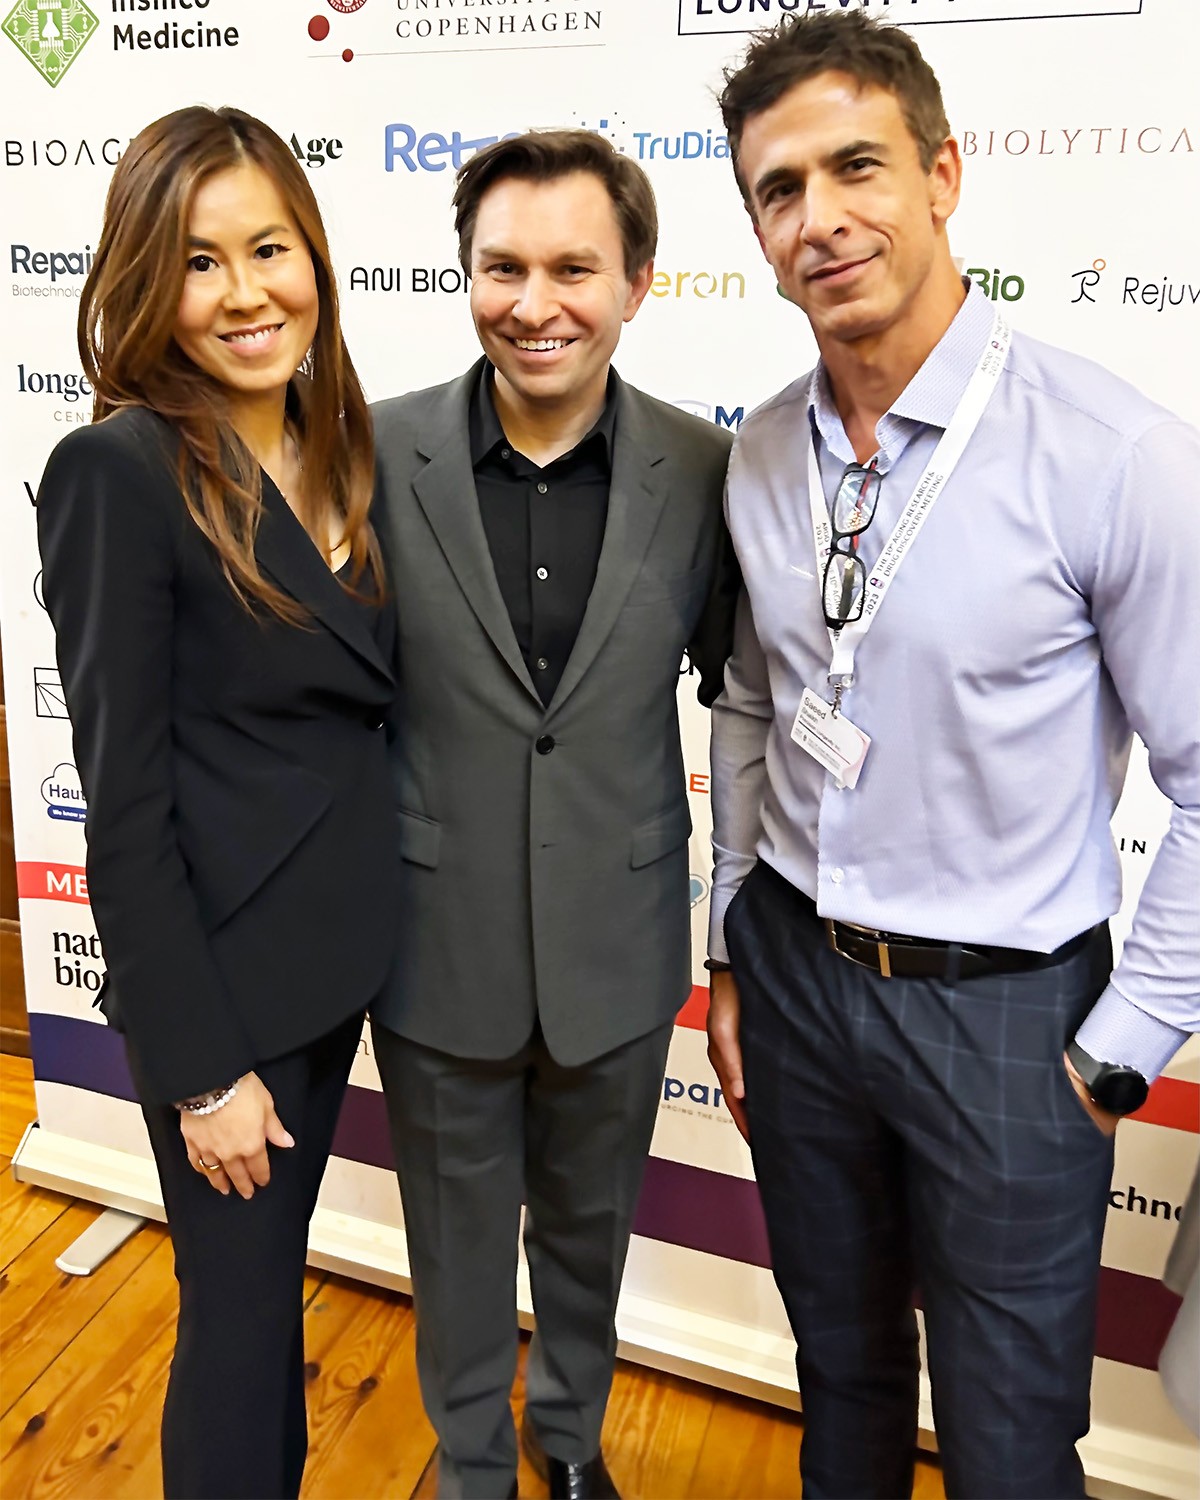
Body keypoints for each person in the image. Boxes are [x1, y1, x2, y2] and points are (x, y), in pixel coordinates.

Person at [703, 13, 1200, 1500]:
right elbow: (747, 699)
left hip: (1009, 1020)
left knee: (1005, 1441)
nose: (821, 217)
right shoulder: (761, 452)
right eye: (780, 190)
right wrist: (732, 943)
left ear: (943, 174)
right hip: (795, 980)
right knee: (840, 1385)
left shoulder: (1110, 454)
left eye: (856, 166)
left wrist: (1118, 1054)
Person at [37, 106, 398, 1500]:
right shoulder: (119, 472)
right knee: (244, 1334)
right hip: (233, 996)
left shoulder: (346, 441)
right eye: (199, 262)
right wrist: (200, 1073)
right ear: (146, 284)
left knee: (263, 1314)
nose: (247, 292)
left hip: (353, 953)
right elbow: (120, 806)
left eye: (270, 248)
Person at [371, 130, 735, 1500]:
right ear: (465, 273)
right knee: (455, 1243)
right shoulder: (375, 447)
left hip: (619, 939)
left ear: (638, 282)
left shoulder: (705, 470)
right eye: (503, 267)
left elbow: (743, 698)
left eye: (575, 267)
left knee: (590, 1232)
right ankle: (469, 1460)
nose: (536, 302)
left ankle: (568, 1443)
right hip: (430, 938)